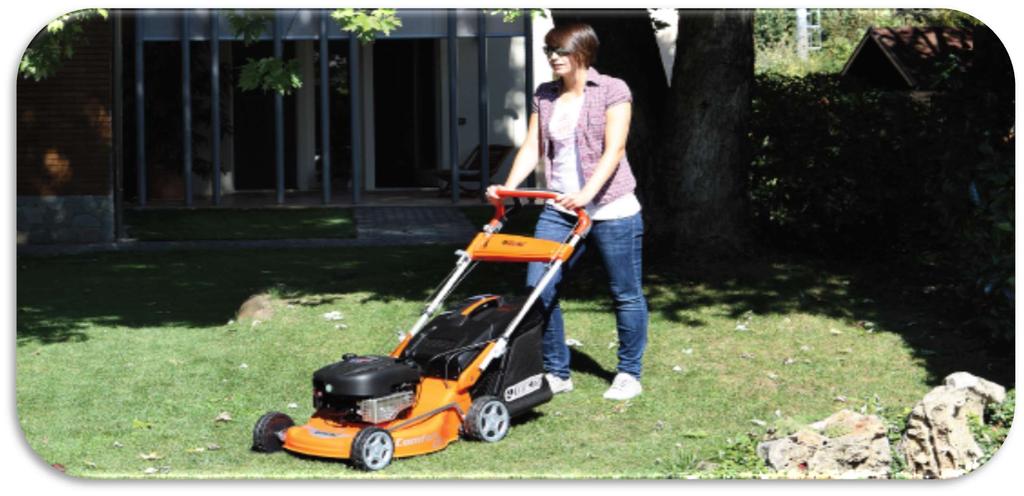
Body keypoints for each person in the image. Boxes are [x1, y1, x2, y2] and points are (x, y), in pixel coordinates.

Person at [486, 22, 648, 401]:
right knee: (539, 287)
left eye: (560, 51)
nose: (553, 57)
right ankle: (558, 371)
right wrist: (508, 189)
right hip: (560, 209)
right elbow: (531, 147)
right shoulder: (544, 96)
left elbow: (615, 150)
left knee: (625, 292)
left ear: (583, 52)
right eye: (548, 51)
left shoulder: (612, 89)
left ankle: (628, 373)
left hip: (613, 208)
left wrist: (586, 194)